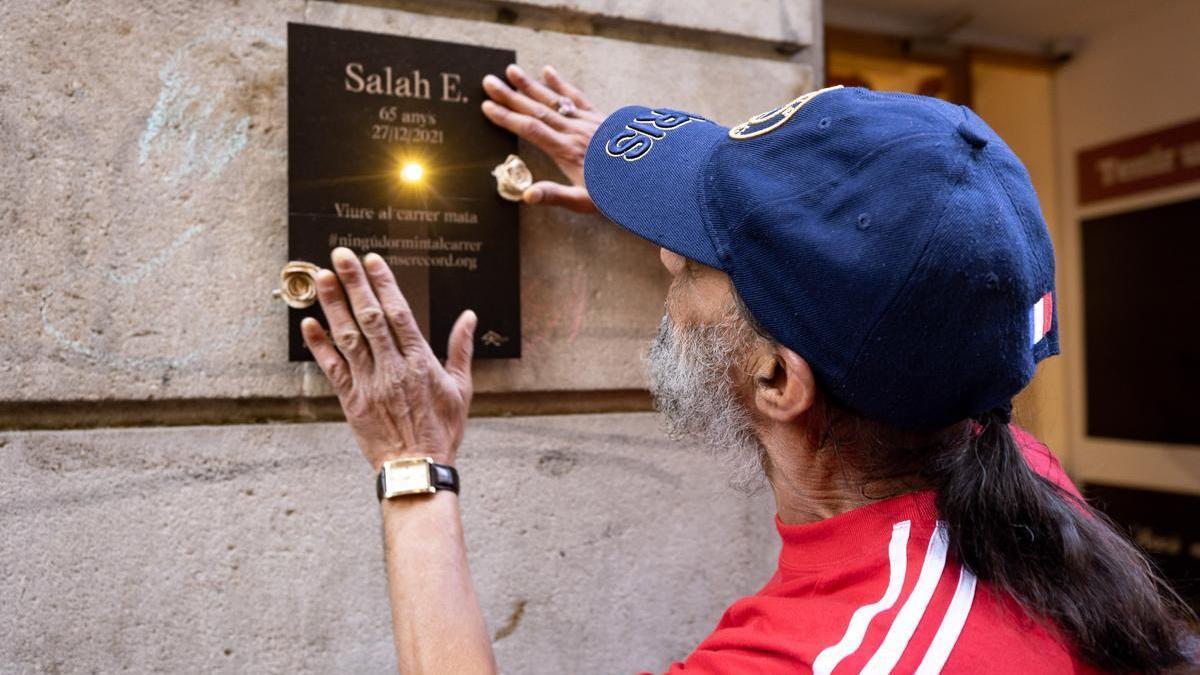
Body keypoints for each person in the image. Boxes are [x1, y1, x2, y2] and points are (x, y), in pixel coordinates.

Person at [299, 66, 1198, 673]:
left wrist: (412, 461)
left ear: (777, 380)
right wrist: (700, 216)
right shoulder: (1024, 486)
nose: (663, 263)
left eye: (689, 262)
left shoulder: (817, 655)